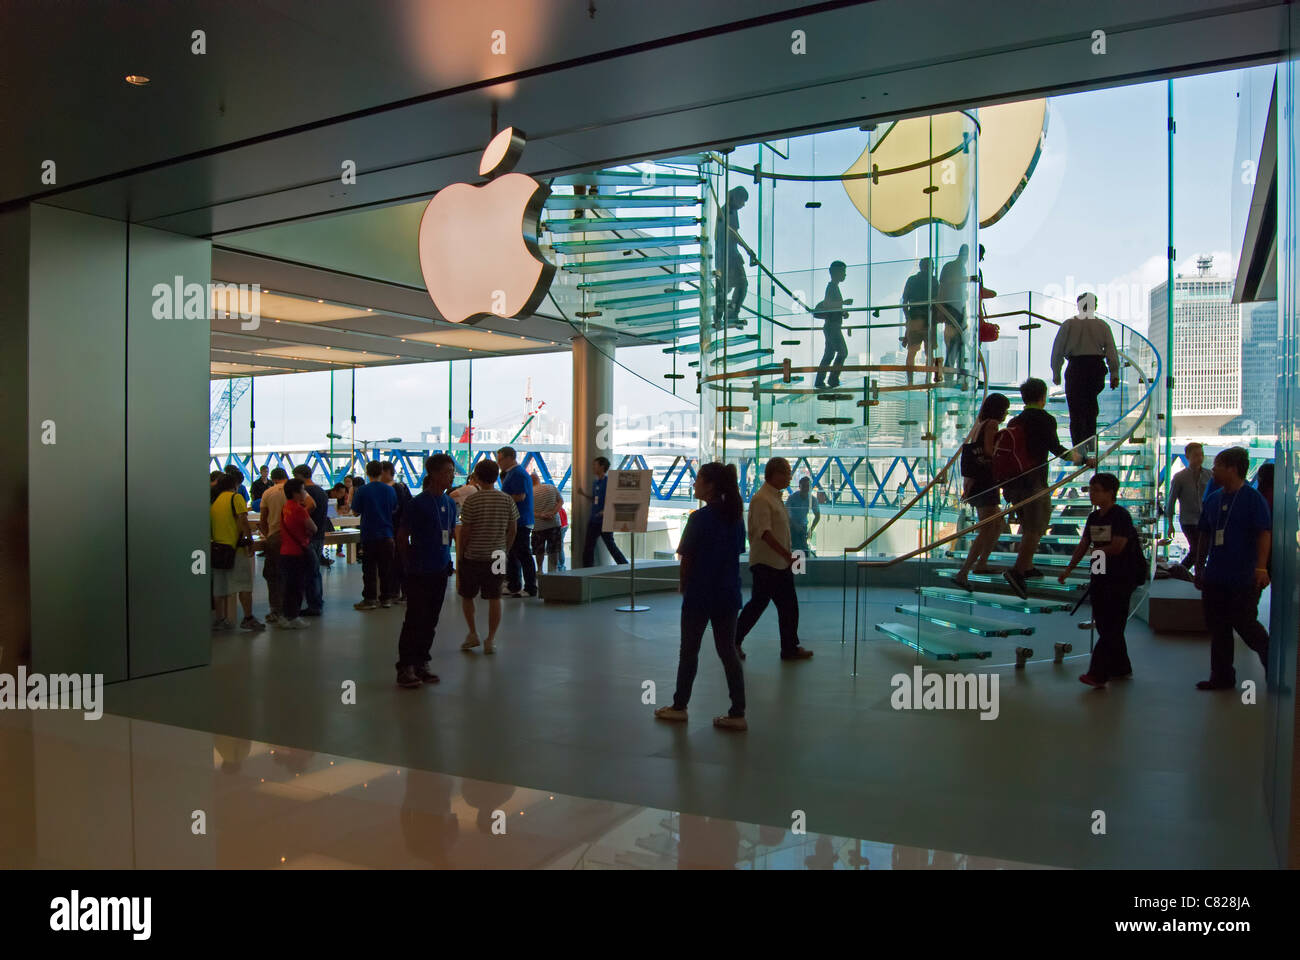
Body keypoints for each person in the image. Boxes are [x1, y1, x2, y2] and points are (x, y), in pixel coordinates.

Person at [654, 462, 748, 731]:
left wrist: (683, 586)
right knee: (727, 651)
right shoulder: (735, 517)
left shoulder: (699, 519)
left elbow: (687, 557)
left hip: (700, 593)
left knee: (689, 651)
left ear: (709, 485)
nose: (694, 484)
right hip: (728, 592)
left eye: (698, 480)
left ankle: (680, 706)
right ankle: (738, 712)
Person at [1002, 378, 1092, 600]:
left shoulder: (1015, 420)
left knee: (1027, 524)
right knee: (1036, 527)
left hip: (1014, 483)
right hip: (1034, 483)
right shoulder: (1045, 420)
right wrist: (1082, 459)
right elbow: (1057, 449)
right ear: (1043, 397)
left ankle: (1028, 566)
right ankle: (1017, 572)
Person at [1193, 446, 1271, 691]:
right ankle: (1222, 677)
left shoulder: (1252, 498)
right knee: (1218, 629)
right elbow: (1204, 534)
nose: (1213, 469)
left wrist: (1260, 568)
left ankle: (1273, 664)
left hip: (1242, 576)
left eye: (1218, 465)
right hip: (1215, 575)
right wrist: (1199, 565)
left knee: (1246, 624)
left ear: (1232, 469)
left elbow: (1263, 533)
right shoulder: (1214, 498)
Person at [1058, 473, 1138, 688]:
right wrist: (1069, 569)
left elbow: (1118, 546)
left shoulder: (1120, 516)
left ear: (1110, 492)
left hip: (1120, 577)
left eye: (1096, 490)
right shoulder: (1094, 518)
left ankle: (1098, 672)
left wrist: (1096, 551)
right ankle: (1121, 668)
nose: (1092, 494)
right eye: (1091, 489)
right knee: (1106, 625)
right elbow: (1083, 545)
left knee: (1111, 626)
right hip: (1100, 575)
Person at [735, 457, 815, 662]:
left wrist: (786, 557)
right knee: (760, 605)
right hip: (768, 564)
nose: (790, 476)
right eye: (787, 472)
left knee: (786, 606)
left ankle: (789, 648)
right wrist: (786, 554)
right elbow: (765, 533)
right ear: (774, 474)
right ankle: (733, 642)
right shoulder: (762, 499)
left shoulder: (775, 498)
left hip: (779, 563)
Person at [394, 454, 457, 688]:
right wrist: (407, 564)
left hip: (440, 569)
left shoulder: (450, 503)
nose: (451, 475)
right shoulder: (417, 503)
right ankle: (406, 666)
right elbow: (402, 536)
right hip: (419, 570)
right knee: (414, 619)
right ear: (434, 474)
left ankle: (422, 662)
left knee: (431, 619)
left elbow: (449, 534)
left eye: (452, 471)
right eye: (448, 471)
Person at [457, 459, 518, 654]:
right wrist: (504, 548)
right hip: (498, 555)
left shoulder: (472, 500)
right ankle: (490, 639)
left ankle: (472, 633)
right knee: (495, 596)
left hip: (473, 555)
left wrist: (461, 553)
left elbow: (465, 531)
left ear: (477, 477)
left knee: (467, 595)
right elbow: (513, 530)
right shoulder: (507, 499)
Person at [1050, 291, 1120, 458]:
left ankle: (1078, 449)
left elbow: (1057, 350)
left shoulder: (1068, 324)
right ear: (1095, 306)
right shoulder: (1102, 326)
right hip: (1095, 367)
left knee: (1075, 411)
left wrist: (1056, 372)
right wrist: (1114, 373)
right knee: (1090, 409)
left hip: (1076, 366)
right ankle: (1090, 447)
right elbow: (1111, 351)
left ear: (1079, 305)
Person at [953, 392, 1011, 590]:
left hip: (978, 482)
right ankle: (966, 570)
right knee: (988, 526)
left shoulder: (979, 423)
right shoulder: (992, 424)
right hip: (986, 481)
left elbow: (973, 452)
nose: (1006, 413)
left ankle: (980, 563)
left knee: (996, 524)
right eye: (1006, 409)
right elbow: (987, 451)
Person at [209, 473, 265, 632]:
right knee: (245, 585)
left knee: (219, 587)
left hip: (218, 549)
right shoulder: (236, 498)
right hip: (236, 549)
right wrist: (249, 540)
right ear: (235, 485)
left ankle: (220, 619)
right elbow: (243, 520)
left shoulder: (215, 502)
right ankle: (248, 618)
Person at [351, 460, 398, 610]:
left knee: (369, 568)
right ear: (381, 471)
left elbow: (355, 511)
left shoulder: (363, 490)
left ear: (367, 473)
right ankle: (387, 598)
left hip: (369, 534)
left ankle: (370, 599)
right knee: (387, 568)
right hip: (387, 534)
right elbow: (394, 509)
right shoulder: (390, 490)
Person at [495, 446, 537, 598]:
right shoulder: (513, 473)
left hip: (520, 520)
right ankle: (514, 584)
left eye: (500, 459)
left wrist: (501, 499)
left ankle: (530, 586)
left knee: (523, 553)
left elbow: (520, 496)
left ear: (509, 458)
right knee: (513, 553)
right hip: (516, 519)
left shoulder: (518, 474)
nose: (498, 463)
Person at [1165, 442, 1211, 576]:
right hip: (1188, 520)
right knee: (1197, 549)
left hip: (1205, 520)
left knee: (1201, 549)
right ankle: (1182, 571)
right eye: (1196, 455)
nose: (1200, 458)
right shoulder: (1180, 477)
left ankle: (1193, 573)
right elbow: (1171, 500)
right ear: (1187, 456)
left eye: (1201, 455)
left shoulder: (1209, 475)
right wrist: (1170, 524)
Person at [713, 186, 756, 329]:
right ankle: (729, 314)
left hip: (726, 257)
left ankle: (722, 314)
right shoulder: (728, 211)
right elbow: (733, 234)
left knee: (727, 288)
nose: (743, 205)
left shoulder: (728, 210)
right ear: (736, 198)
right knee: (741, 284)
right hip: (729, 257)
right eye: (743, 201)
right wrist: (748, 250)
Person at [277, 477, 318, 630]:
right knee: (298, 586)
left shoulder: (285, 507)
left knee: (289, 586)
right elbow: (313, 528)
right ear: (295, 493)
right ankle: (293, 616)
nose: (304, 493)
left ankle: (286, 615)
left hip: (286, 551)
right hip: (298, 552)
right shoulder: (299, 509)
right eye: (302, 490)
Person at [578, 456, 629, 566]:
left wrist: (604, 511)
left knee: (610, 546)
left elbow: (613, 499)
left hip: (605, 521)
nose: (593, 467)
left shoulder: (608, 482)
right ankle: (587, 569)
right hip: (594, 520)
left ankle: (624, 565)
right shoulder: (596, 483)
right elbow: (596, 499)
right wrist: (583, 494)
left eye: (595, 465)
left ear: (602, 467)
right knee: (588, 547)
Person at [292, 465, 328, 616]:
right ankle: (317, 600)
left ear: (299, 476)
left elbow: (310, 507)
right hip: (319, 533)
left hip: (308, 536)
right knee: (315, 570)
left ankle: (313, 605)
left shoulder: (305, 493)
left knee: (309, 572)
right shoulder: (321, 491)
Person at [812, 260, 851, 390]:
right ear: (836, 272)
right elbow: (828, 304)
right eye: (843, 272)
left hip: (832, 325)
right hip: (832, 327)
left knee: (829, 355)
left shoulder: (834, 287)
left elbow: (831, 307)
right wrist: (843, 303)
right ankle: (833, 378)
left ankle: (820, 380)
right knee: (843, 352)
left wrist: (842, 312)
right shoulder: (832, 287)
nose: (845, 275)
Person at [901, 257, 940, 385]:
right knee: (929, 352)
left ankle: (910, 382)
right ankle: (927, 380)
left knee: (912, 351)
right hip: (928, 320)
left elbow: (904, 302)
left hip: (915, 319)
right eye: (932, 266)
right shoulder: (933, 281)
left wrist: (909, 319)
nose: (933, 269)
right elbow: (938, 301)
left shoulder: (912, 280)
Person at [258, 467, 290, 625]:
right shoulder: (295, 490)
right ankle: (291, 608)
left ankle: (275, 609)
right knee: (292, 573)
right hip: (292, 537)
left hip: (275, 537)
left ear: (273, 478)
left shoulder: (268, 493)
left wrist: (267, 533)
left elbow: (263, 518)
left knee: (272, 575)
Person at [382, 461, 414, 603]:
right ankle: (396, 591)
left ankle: (403, 592)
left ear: (387, 472)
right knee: (394, 562)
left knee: (398, 561)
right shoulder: (400, 487)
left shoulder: (396, 488)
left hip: (395, 530)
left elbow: (401, 509)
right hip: (395, 530)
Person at [937, 245, 970, 384]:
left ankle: (955, 375)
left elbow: (942, 286)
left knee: (956, 343)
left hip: (953, 309)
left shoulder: (951, 267)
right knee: (957, 343)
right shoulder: (958, 268)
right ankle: (955, 376)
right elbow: (944, 286)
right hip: (955, 310)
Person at [530, 472, 564, 573]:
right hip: (554, 523)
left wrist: (541, 515)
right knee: (554, 549)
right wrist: (552, 513)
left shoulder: (530, 493)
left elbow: (530, 511)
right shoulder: (551, 487)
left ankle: (540, 570)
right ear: (538, 479)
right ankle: (553, 570)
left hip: (538, 526)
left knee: (539, 550)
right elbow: (561, 501)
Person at [786, 476, 821, 557]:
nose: (806, 488)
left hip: (802, 526)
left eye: (807, 486)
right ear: (799, 487)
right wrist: (795, 525)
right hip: (792, 527)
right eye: (804, 486)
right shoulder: (792, 498)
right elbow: (786, 514)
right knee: (796, 547)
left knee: (799, 548)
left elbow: (817, 516)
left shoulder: (812, 499)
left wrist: (811, 529)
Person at [556, 502, 570, 570]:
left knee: (558, 547)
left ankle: (560, 566)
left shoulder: (555, 506)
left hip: (560, 526)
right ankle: (561, 566)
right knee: (560, 546)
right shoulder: (560, 507)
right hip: (564, 525)